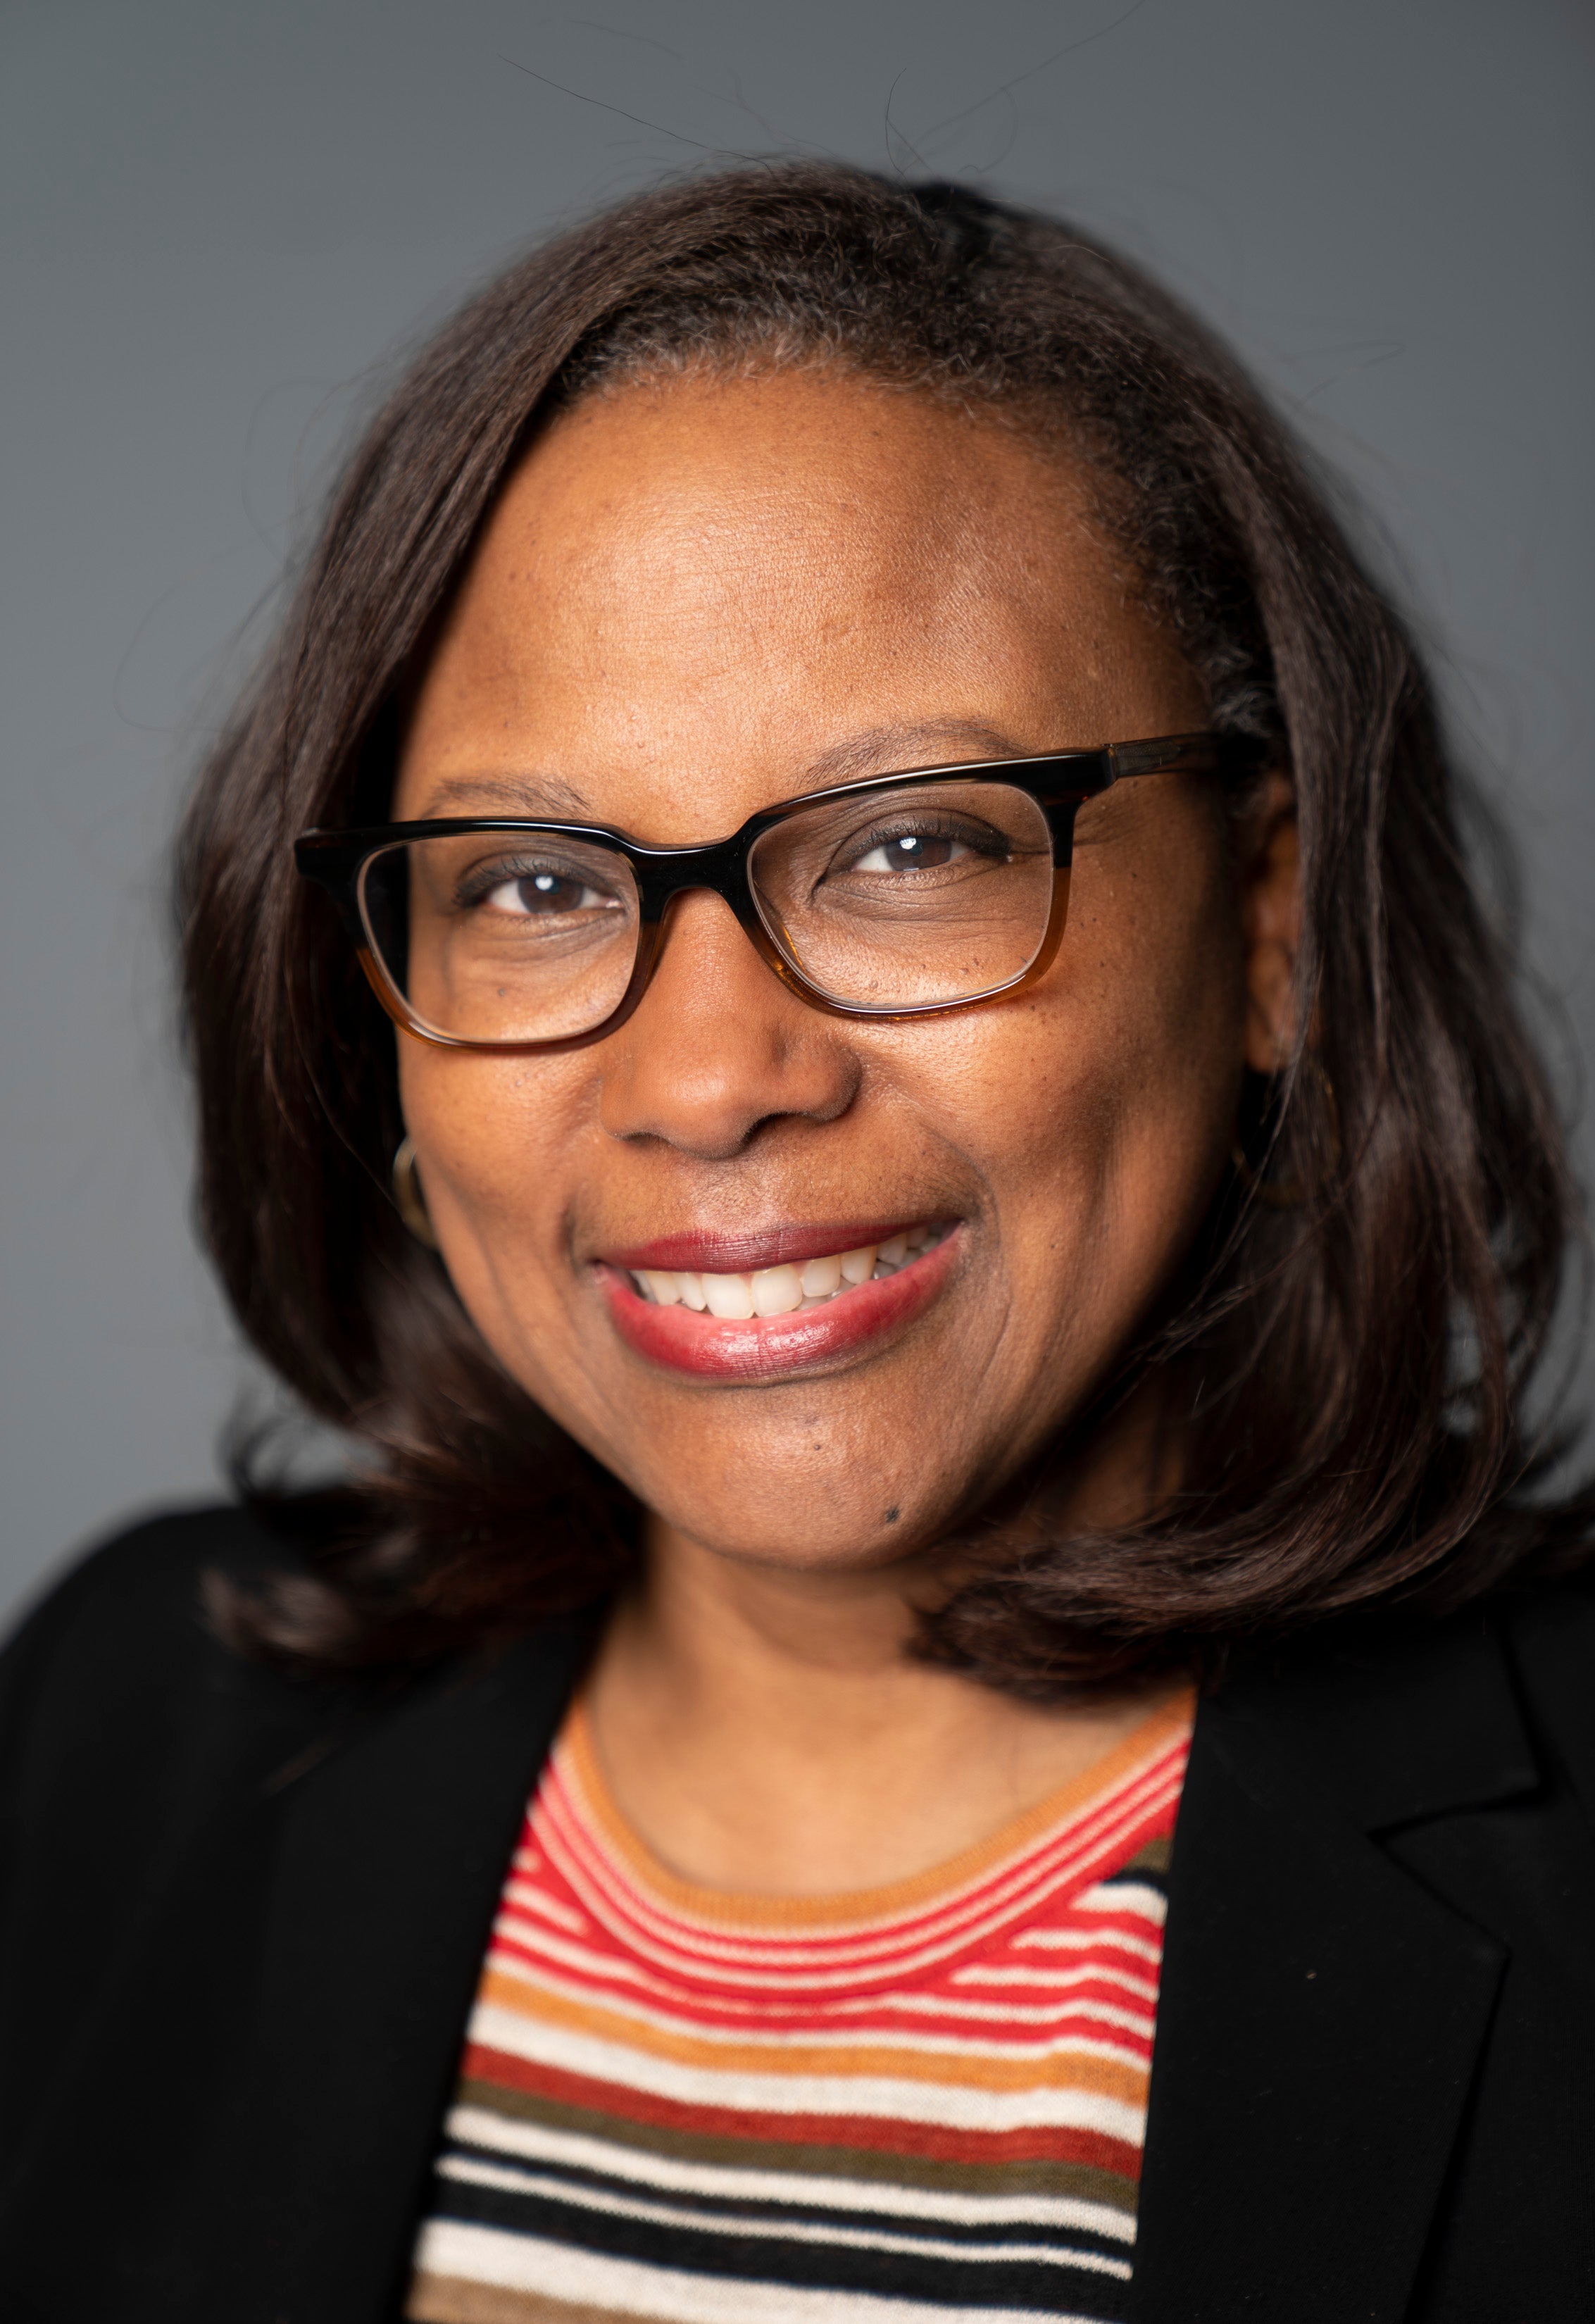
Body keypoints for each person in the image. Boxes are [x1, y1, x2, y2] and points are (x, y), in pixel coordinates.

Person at [1, 164, 1591, 2324]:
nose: (708, 1073)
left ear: (1264, 931)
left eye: (911, 846)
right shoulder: (122, 1723)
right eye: (538, 882)